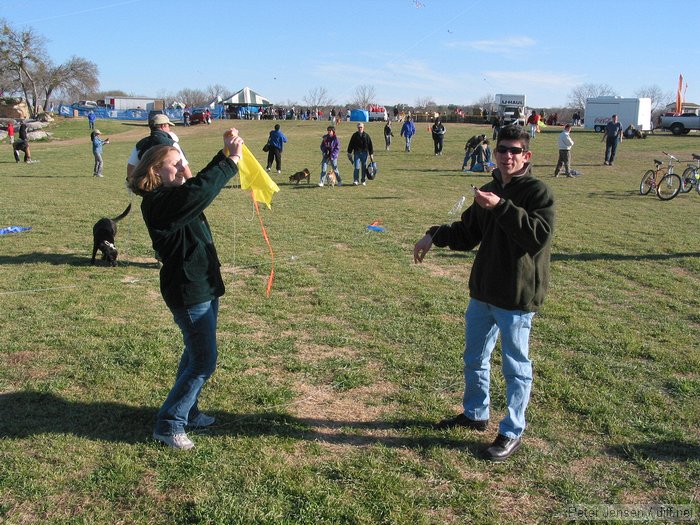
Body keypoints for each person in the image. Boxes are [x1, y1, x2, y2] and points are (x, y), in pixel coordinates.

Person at [413, 125, 555, 462]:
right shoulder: (488, 189)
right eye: (502, 149)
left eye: (515, 151)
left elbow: (538, 238)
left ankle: (511, 431)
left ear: (526, 156)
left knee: (515, 366)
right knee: (474, 358)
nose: (508, 156)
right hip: (484, 293)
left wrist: (500, 207)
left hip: (516, 297)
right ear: (494, 153)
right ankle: (476, 413)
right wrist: (434, 235)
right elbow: (467, 233)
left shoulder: (538, 192)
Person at [126, 129, 245, 450]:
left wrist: (223, 155)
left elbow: (196, 184)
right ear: (154, 172)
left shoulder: (174, 194)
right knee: (203, 361)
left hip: (202, 286)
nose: (182, 169)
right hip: (188, 291)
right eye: (174, 165)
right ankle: (169, 423)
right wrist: (231, 161)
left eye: (182, 164)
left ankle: (189, 412)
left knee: (195, 353)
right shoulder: (160, 203)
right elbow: (200, 191)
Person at [126, 114, 193, 181]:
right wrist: (192, 184)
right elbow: (184, 166)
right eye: (168, 126)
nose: (169, 129)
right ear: (163, 126)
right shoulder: (171, 143)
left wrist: (132, 183)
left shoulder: (140, 144)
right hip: (170, 184)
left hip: (149, 186)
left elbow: (131, 166)